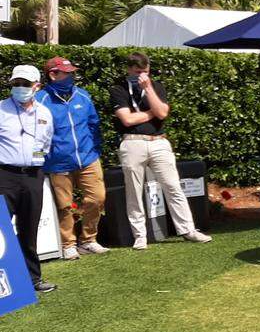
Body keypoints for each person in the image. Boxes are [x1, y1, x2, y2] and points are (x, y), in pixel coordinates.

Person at [109, 52, 212, 249]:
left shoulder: (156, 87)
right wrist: (151, 113)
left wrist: (148, 90)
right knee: (134, 190)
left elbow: (163, 113)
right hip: (132, 142)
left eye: (145, 72)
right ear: (129, 69)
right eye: (138, 72)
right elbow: (127, 120)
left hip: (159, 142)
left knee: (173, 186)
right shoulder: (118, 89)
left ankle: (188, 229)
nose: (142, 76)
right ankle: (140, 235)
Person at [35, 57, 109, 260]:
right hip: (58, 163)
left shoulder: (82, 96)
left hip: (88, 158)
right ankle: (68, 244)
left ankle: (89, 240)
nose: (71, 76)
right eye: (67, 73)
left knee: (97, 198)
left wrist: (94, 149)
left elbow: (94, 124)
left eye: (72, 72)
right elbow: (37, 133)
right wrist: (42, 159)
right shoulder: (40, 100)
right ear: (53, 75)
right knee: (65, 205)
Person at [0, 65, 57, 292]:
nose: (20, 88)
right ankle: (5, 285)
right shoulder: (1, 109)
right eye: (16, 84)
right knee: (1, 230)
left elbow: (45, 144)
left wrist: (35, 160)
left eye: (25, 84)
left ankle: (33, 280)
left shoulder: (44, 113)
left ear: (37, 87)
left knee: (29, 229)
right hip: (5, 175)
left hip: (33, 176)